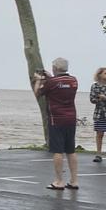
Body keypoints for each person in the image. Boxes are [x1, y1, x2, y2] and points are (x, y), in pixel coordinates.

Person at [34, 58, 79, 190]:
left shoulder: (51, 82)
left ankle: (59, 181)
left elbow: (38, 93)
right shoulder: (73, 80)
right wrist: (50, 77)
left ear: (55, 68)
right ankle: (74, 180)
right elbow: (61, 84)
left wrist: (38, 80)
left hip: (56, 119)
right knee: (71, 150)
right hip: (71, 117)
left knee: (58, 150)